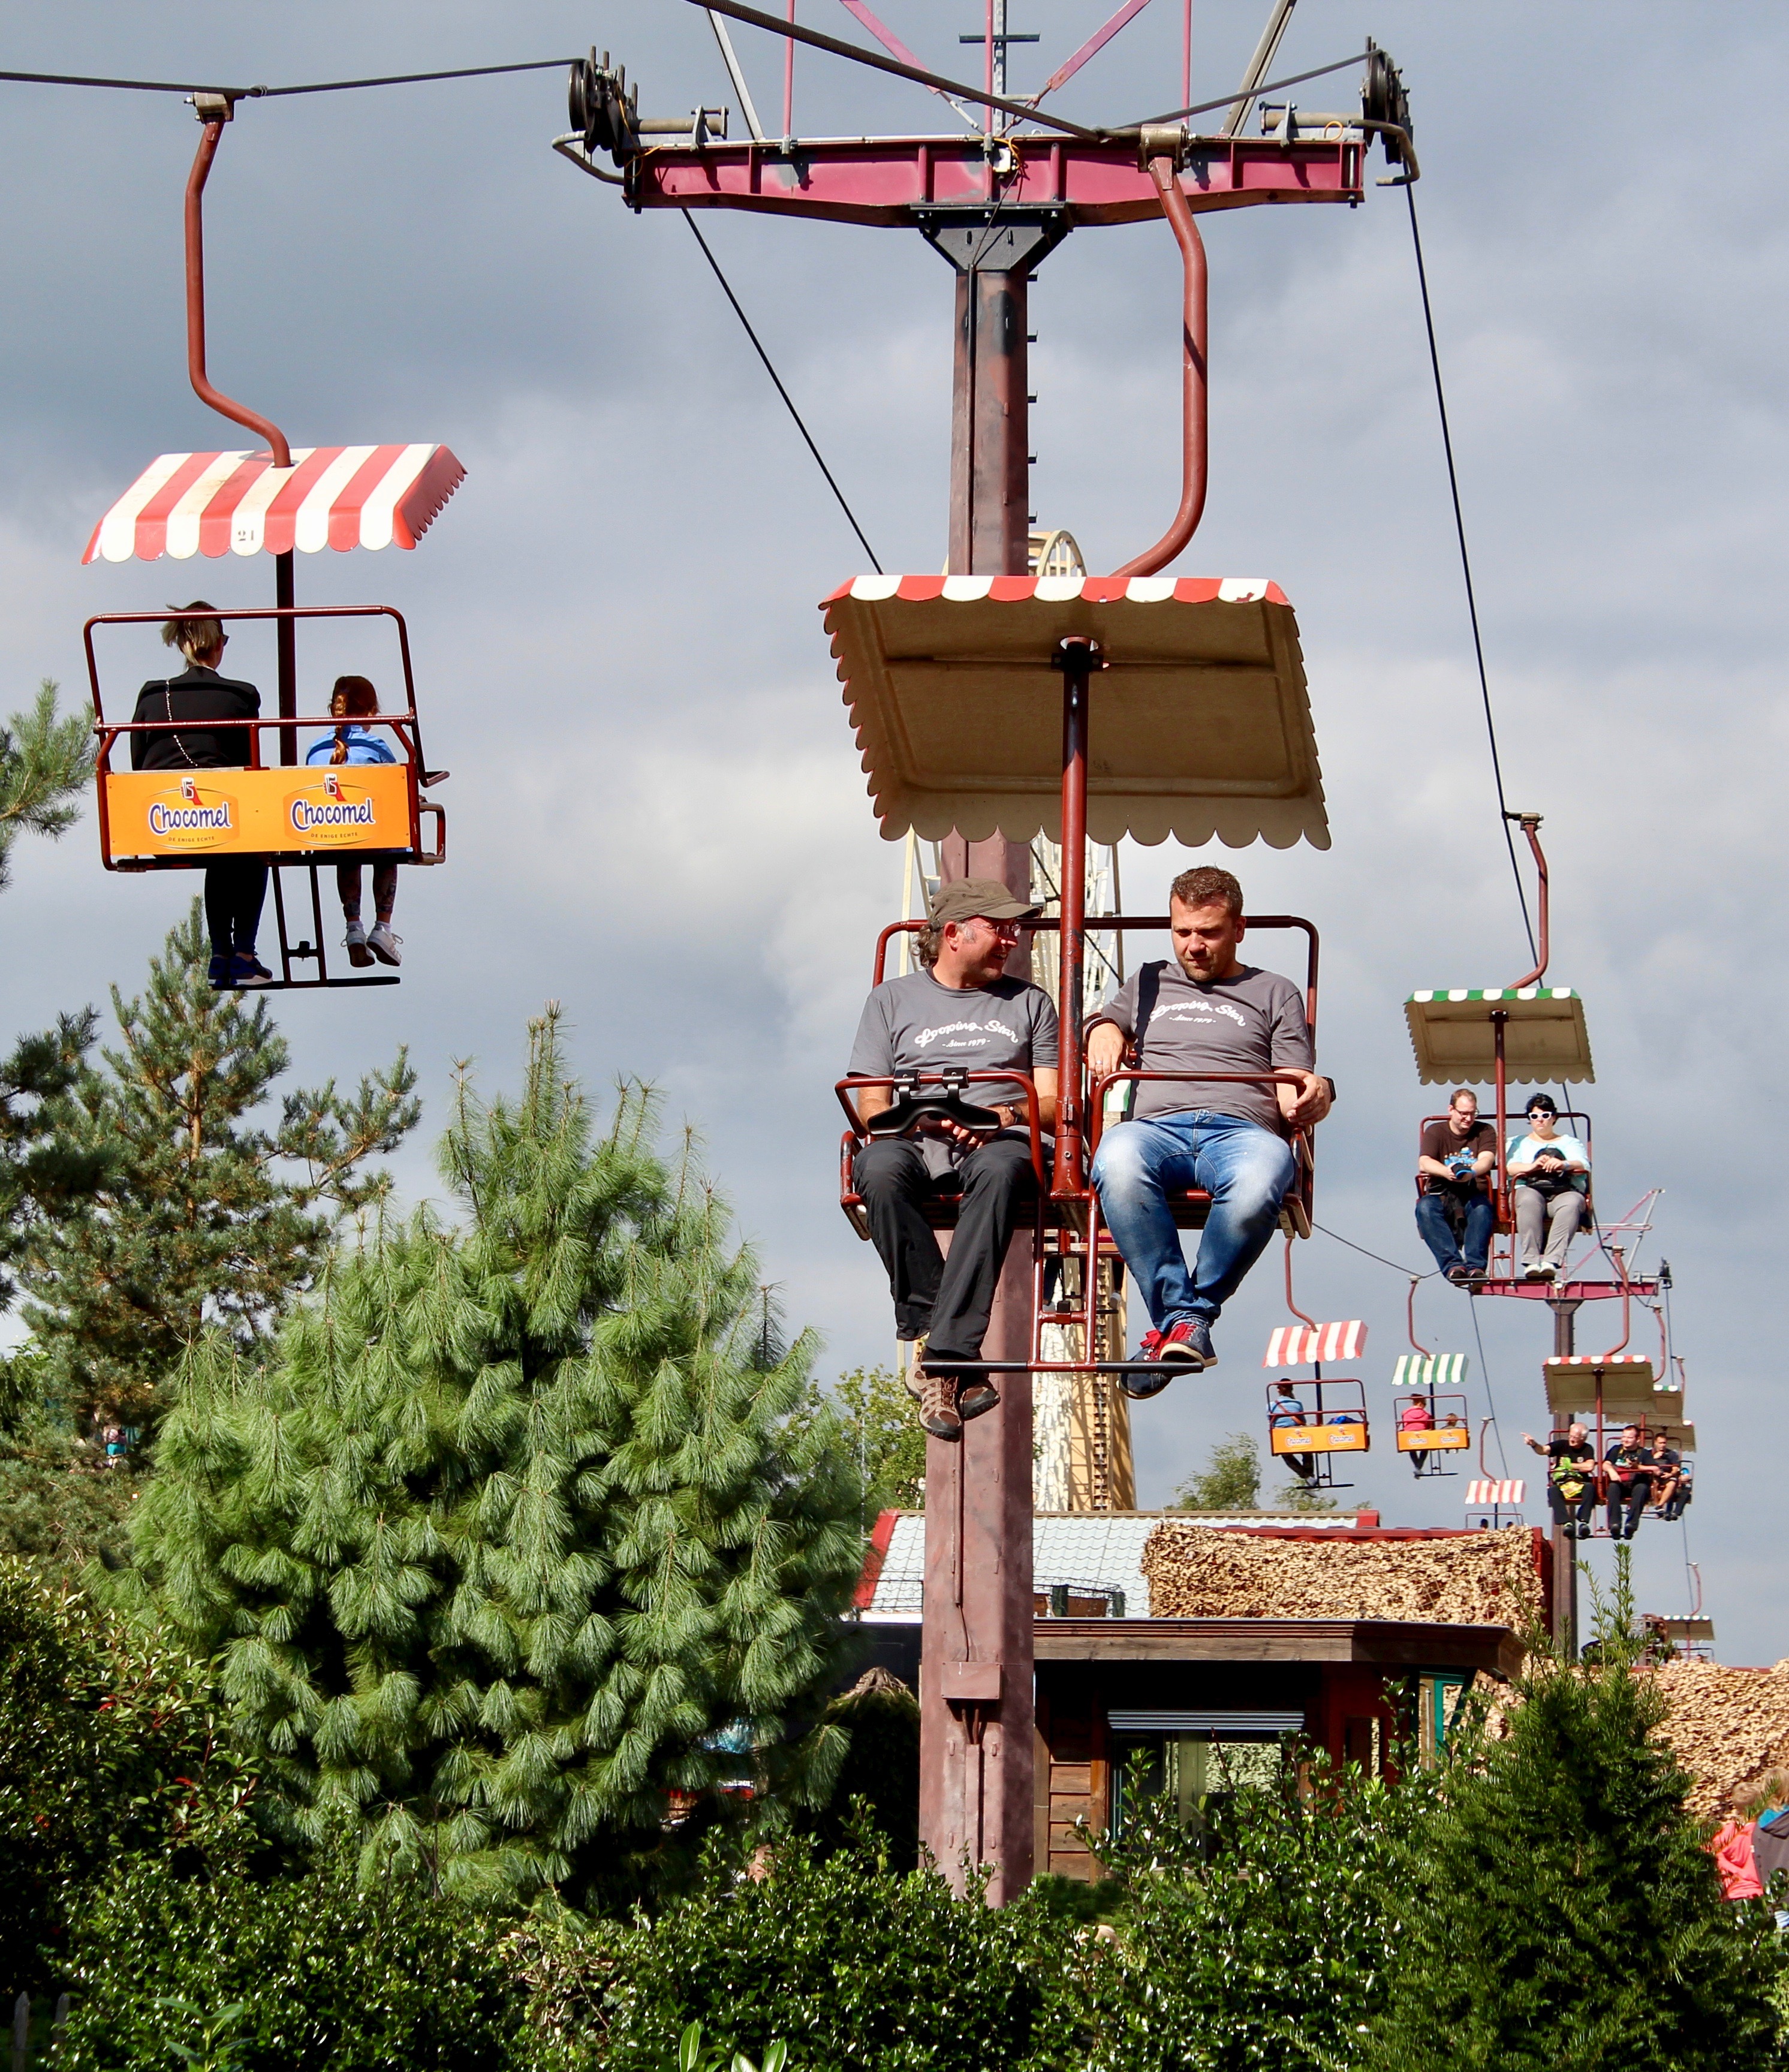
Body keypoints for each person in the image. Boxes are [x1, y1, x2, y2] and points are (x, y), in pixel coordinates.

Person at [1086, 866, 1330, 1392]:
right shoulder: (1148, 981)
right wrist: (1103, 1028)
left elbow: (1292, 1081)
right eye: (1182, 932)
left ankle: (1179, 1322)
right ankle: (1188, 1322)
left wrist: (1313, 1093)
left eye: (1209, 932)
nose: (1193, 946)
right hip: (1156, 1129)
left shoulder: (1274, 991)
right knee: (1117, 1161)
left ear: (1238, 929)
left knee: (1261, 1179)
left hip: (1239, 1132)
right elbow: (1105, 1024)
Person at [847, 878, 1058, 1441]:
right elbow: (871, 1105)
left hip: (999, 1140)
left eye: (1015, 929)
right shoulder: (890, 1001)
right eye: (1000, 928)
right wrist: (918, 1118)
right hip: (916, 1138)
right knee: (878, 1169)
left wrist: (1002, 1116)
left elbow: (1054, 1100)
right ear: (953, 934)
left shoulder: (1031, 1003)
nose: (1012, 940)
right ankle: (954, 1351)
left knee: (1000, 1170)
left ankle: (938, 1357)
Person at [130, 603, 269, 987]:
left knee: (219, 846)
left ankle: (221, 955)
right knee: (252, 844)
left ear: (182, 644)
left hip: (159, 822)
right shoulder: (241, 695)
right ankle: (241, 953)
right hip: (219, 819)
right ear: (220, 644)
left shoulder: (152, 694)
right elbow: (247, 765)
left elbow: (138, 760)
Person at [305, 675, 402, 967]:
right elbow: (397, 786)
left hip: (329, 836)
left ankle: (354, 927)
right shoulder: (376, 747)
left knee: (346, 842)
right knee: (392, 837)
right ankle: (383, 926)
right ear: (371, 713)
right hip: (372, 836)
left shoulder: (316, 750)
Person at [1415, 1088, 1496, 1285]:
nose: (1469, 1119)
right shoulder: (1435, 1131)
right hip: (1441, 1193)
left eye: (1473, 1113)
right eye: (1464, 1113)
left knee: (1482, 1210)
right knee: (1425, 1208)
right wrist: (1446, 1172)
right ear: (1451, 1110)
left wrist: (1471, 1172)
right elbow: (1424, 1162)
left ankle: (1476, 1267)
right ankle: (1453, 1266)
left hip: (1473, 1192)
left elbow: (1487, 1159)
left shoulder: (1485, 1130)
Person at [1507, 1094, 1590, 1282]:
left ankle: (1551, 1261)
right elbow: (1510, 1168)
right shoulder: (1518, 1143)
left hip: (1562, 1192)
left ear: (1554, 1118)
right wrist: (1533, 1167)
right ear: (1529, 1119)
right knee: (1527, 1199)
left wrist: (1563, 1165)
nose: (1540, 1121)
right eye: (1534, 1117)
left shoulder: (1569, 1143)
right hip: (1530, 1190)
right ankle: (1531, 1261)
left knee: (1573, 1202)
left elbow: (1583, 1164)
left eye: (1545, 1116)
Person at [1522, 1421, 1597, 1538]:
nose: (1571, 1439)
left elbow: (1590, 1466)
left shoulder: (1587, 1449)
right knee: (1553, 1490)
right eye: (1570, 1436)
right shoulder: (1562, 1445)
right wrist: (1534, 1444)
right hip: (1562, 1483)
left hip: (1579, 1483)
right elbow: (1543, 1450)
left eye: (1575, 1438)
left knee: (1590, 1488)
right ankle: (1567, 1523)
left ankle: (1583, 1522)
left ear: (1583, 1438)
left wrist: (1571, 1466)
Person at [1603, 1424, 1652, 1540]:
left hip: (1636, 1484)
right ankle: (1615, 1524)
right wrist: (1611, 1471)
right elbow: (1606, 1464)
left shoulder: (1643, 1453)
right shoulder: (1616, 1450)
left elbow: (1654, 1469)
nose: (1625, 1440)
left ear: (1637, 1439)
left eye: (1629, 1438)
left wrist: (1637, 1467)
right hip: (1620, 1483)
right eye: (1624, 1437)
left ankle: (1631, 1525)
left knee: (1641, 1489)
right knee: (1613, 1488)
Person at [1269, 1380, 1314, 1480]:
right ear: (1292, 1389)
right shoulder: (1297, 1404)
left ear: (1278, 1389)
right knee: (1307, 1451)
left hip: (1280, 1433)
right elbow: (1302, 1421)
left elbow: (1271, 1420)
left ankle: (1306, 1476)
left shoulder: (1271, 1405)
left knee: (1286, 1455)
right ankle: (1310, 1474)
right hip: (1295, 1431)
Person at [1646, 1433, 1683, 1519]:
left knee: (1672, 1483)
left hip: (1666, 1475)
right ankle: (1657, 1505)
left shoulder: (1671, 1454)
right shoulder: (1649, 1454)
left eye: (1664, 1443)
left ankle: (1659, 1506)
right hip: (1653, 1475)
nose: (1663, 1445)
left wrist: (1670, 1474)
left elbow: (1676, 1467)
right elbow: (1643, 1465)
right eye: (1660, 1443)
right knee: (1654, 1483)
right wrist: (1654, 1458)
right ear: (1655, 1443)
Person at [1399, 1392, 1436, 1472]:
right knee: (1426, 1448)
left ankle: (1417, 1467)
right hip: (1422, 1434)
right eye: (1425, 1404)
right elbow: (1430, 1426)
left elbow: (1404, 1424)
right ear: (1420, 1404)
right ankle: (1419, 1467)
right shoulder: (1426, 1415)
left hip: (1409, 1434)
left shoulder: (1405, 1413)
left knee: (1411, 1449)